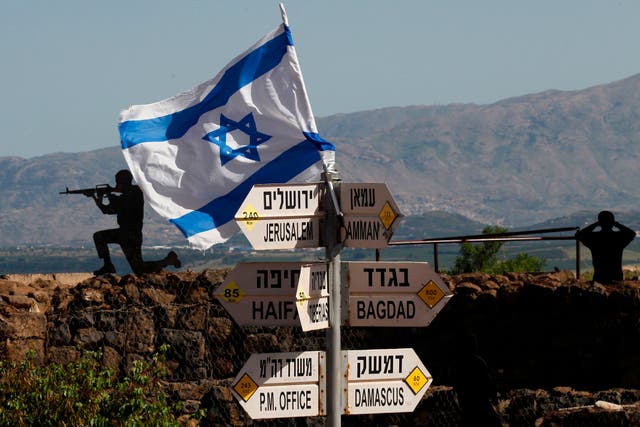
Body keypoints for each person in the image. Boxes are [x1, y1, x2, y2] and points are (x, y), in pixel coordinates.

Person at [92, 169, 181, 275]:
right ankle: (168, 261)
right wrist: (99, 202)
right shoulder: (127, 194)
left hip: (131, 234)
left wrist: (110, 194)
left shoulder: (135, 192)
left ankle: (108, 266)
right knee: (139, 269)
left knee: (99, 237)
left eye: (118, 182)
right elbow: (109, 210)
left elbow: (121, 204)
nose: (117, 185)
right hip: (125, 234)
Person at [575, 210, 636, 284]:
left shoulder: (595, 238)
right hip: (616, 277)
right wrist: (616, 224)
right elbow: (632, 233)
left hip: (599, 277)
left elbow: (579, 235)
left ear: (600, 223)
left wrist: (596, 223)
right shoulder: (618, 238)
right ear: (612, 222)